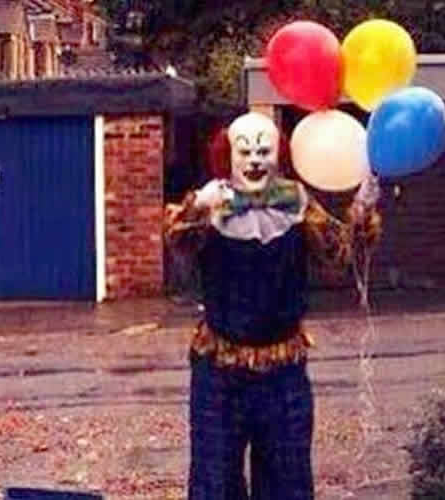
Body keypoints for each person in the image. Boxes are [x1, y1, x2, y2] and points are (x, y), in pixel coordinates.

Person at [163, 111, 382, 500]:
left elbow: (338, 254)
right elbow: (179, 243)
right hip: (220, 370)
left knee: (288, 480)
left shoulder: (297, 202)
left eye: (263, 151)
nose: (254, 160)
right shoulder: (212, 203)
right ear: (227, 155)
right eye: (245, 151)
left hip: (283, 370)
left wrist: (361, 216)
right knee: (215, 480)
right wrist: (199, 207)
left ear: (278, 154)